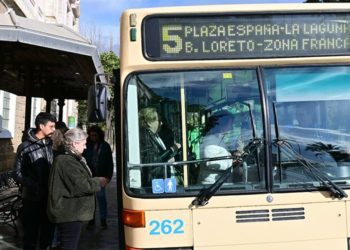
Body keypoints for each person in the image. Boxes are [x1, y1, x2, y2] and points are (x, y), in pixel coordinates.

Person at [47, 128, 108, 250]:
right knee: (69, 245)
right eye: (84, 144)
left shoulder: (71, 158)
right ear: (75, 143)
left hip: (71, 212)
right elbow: (80, 185)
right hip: (68, 213)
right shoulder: (65, 160)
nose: (85, 147)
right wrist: (98, 181)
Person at [13, 112, 57, 250]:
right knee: (30, 235)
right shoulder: (25, 146)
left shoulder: (51, 145)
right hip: (32, 198)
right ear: (41, 126)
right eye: (51, 126)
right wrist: (34, 186)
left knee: (47, 233)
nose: (54, 130)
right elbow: (17, 173)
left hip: (49, 198)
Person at [138, 107, 181, 185]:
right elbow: (152, 161)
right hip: (155, 182)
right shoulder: (144, 136)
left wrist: (169, 156)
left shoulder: (153, 135)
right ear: (149, 122)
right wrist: (172, 149)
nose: (161, 123)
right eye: (159, 121)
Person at [83, 125, 114, 229]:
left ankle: (103, 219)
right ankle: (91, 219)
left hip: (101, 176)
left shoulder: (105, 146)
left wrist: (109, 176)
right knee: (91, 199)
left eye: (95, 135)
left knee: (101, 198)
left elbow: (110, 162)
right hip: (89, 176)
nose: (93, 137)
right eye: (91, 135)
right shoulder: (87, 145)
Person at [198, 110, 241, 184]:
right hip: (211, 185)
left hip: (219, 182)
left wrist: (232, 155)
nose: (231, 127)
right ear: (222, 124)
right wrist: (232, 162)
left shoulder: (218, 140)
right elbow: (210, 162)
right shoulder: (210, 140)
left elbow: (219, 154)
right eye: (230, 123)